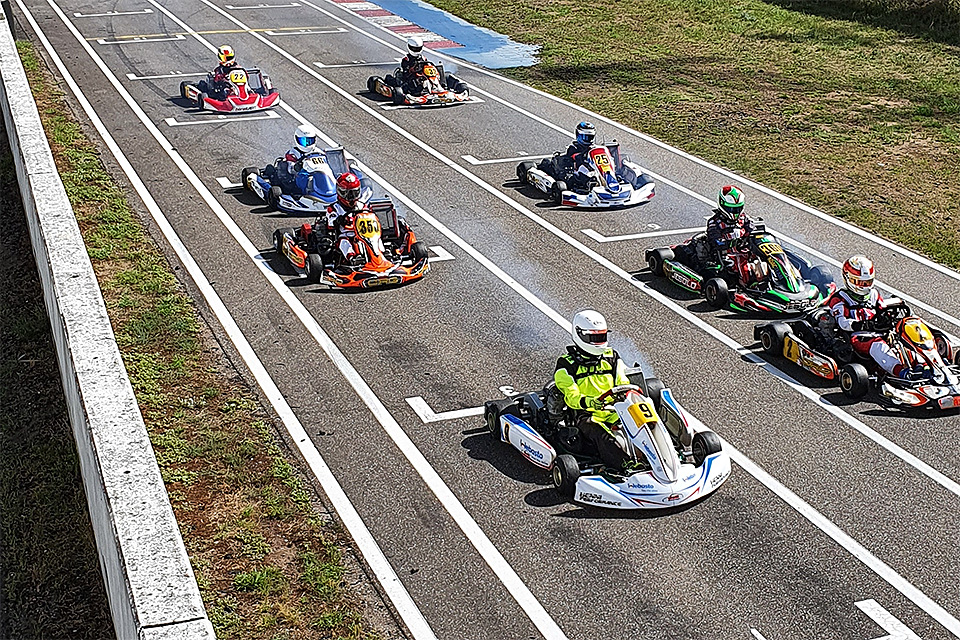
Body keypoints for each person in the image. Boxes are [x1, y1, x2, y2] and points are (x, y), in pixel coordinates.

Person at [554, 310, 633, 470]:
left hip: (615, 410)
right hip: (586, 414)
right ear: (580, 335)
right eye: (595, 338)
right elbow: (571, 396)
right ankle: (626, 467)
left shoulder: (611, 357)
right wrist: (590, 402)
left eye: (602, 337)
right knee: (601, 435)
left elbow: (622, 379)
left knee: (648, 422)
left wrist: (625, 393)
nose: (599, 342)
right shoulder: (566, 365)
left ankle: (670, 457)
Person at [826, 255, 927, 380]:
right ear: (848, 279)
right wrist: (863, 324)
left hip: (880, 331)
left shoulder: (873, 294)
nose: (864, 286)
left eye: (867, 282)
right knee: (879, 346)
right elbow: (842, 322)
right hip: (859, 336)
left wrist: (889, 317)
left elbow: (883, 308)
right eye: (860, 282)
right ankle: (902, 373)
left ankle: (924, 365)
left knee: (905, 338)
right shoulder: (840, 298)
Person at [705, 185, 757, 269]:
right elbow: (717, 242)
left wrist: (750, 236)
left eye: (737, 208)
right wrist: (735, 242)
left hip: (745, 251)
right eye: (732, 209)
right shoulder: (714, 223)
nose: (735, 212)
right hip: (726, 256)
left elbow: (753, 228)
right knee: (738, 264)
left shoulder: (743, 218)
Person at [323, 173, 366, 266]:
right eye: (347, 193)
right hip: (345, 234)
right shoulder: (334, 208)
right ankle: (353, 258)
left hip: (364, 234)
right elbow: (331, 223)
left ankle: (382, 255)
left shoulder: (362, 206)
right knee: (344, 242)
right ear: (340, 192)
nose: (351, 197)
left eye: (354, 193)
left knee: (376, 239)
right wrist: (339, 220)